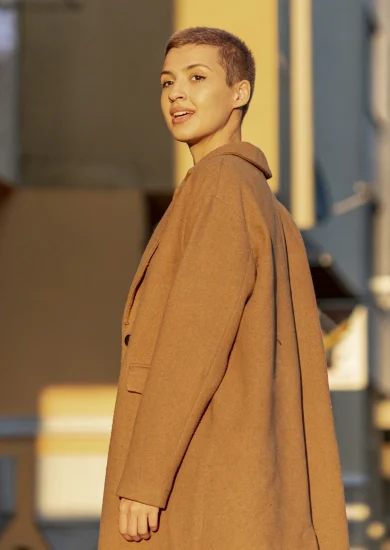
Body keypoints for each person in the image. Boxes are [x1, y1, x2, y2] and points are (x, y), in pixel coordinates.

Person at [98, 27, 349, 550]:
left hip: (198, 482)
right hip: (243, 480)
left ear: (241, 92)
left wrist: (144, 480)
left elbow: (192, 343)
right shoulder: (267, 207)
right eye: (167, 82)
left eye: (197, 77)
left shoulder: (219, 186)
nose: (176, 94)